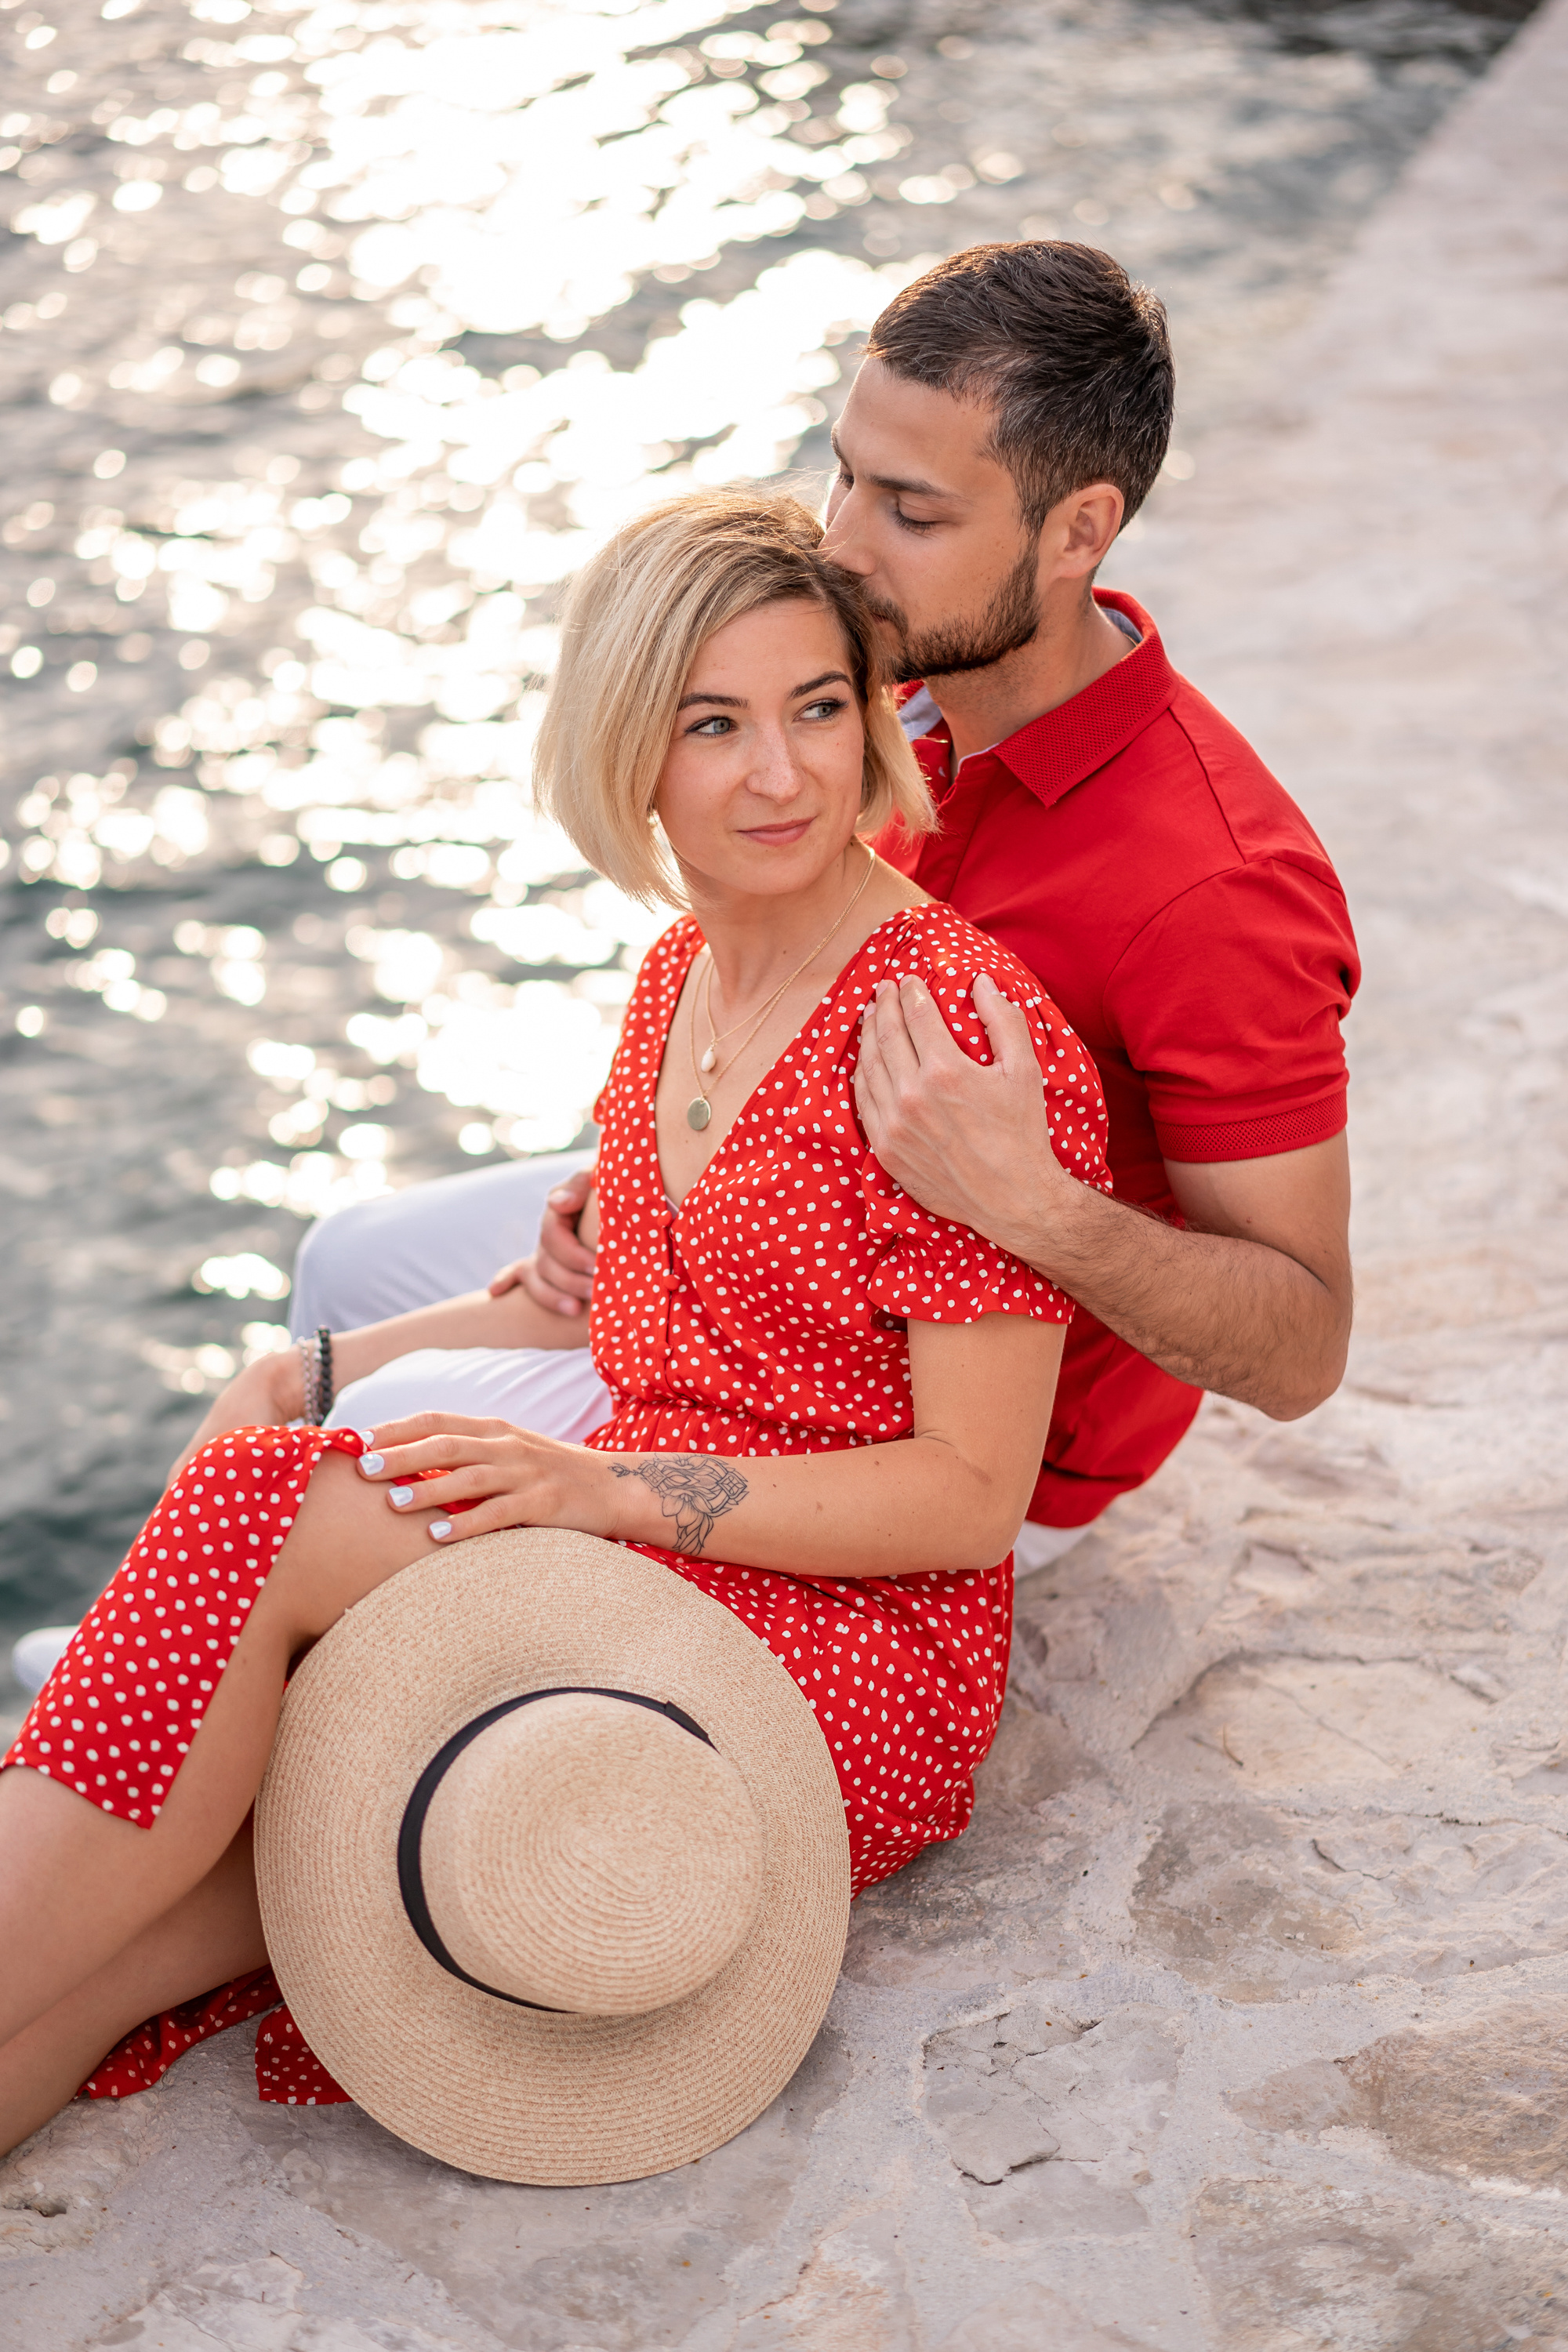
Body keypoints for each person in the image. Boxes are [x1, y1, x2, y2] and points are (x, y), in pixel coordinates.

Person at [0, 492, 1111, 2155]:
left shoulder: (947, 1031)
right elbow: (618, 1310)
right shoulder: (680, 979)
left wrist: (614, 1493)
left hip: (845, 1654)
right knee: (138, 1949)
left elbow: (964, 1495)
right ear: (632, 751)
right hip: (644, 1553)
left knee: (267, 1508)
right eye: (713, 724)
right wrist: (348, 1367)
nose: (782, 774)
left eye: (819, 708)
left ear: (876, 718)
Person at [280, 239, 1359, 1576]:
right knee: (345, 1263)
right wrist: (649, 1170)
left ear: (1078, 529)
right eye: (844, 472)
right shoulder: (887, 693)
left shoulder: (1216, 883)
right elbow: (764, 987)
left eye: (911, 512)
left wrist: (1039, 1206)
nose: (840, 547)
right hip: (763, 1270)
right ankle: (161, 1677)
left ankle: (175, 1698)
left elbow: (1304, 1343)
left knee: (366, 1430)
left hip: (934, 1431)